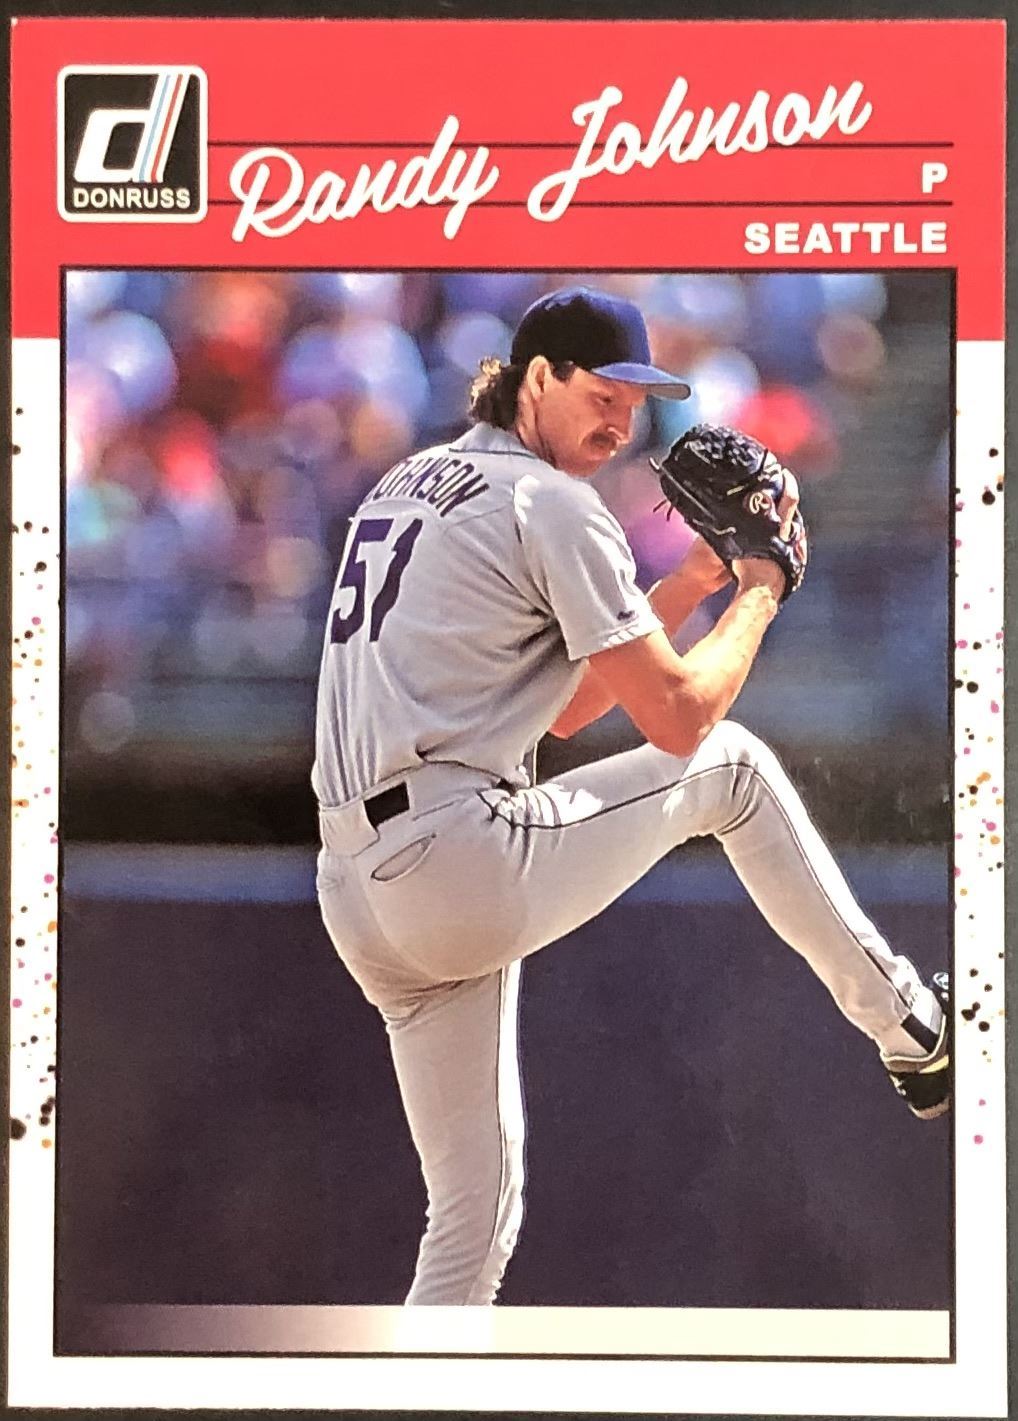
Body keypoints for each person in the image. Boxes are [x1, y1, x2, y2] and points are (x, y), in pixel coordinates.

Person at [312, 284, 950, 1307]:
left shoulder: (411, 480)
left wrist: (692, 583)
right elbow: (682, 721)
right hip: (455, 855)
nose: (621, 423)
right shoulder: (553, 502)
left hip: (358, 888)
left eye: (635, 402)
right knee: (731, 766)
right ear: (536, 377)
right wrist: (760, 588)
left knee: (474, 1216)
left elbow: (562, 712)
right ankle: (910, 1025)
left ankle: (421, 1380)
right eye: (602, 394)